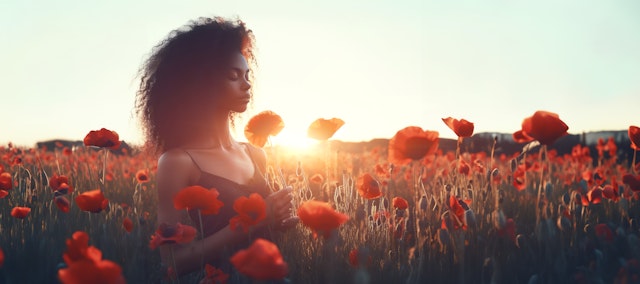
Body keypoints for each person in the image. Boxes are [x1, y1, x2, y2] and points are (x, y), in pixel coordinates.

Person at [134, 16, 297, 279]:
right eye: (233, 76)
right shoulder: (178, 162)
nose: (247, 84)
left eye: (247, 75)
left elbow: (263, 231)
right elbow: (172, 261)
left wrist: (276, 220)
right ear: (201, 83)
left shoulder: (256, 154)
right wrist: (254, 219)